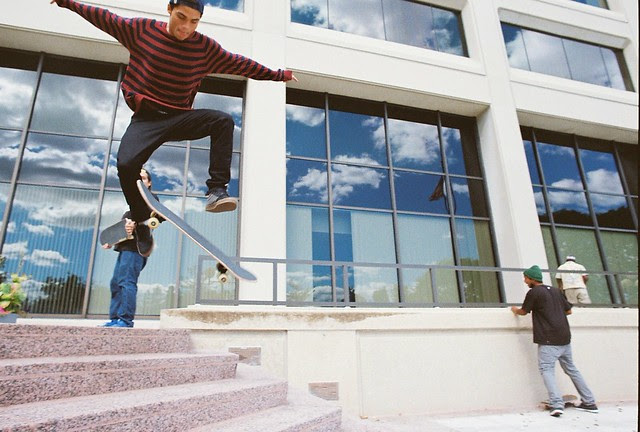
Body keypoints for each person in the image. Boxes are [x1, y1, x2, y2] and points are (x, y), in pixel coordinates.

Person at [50, 0, 298, 257]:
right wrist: (67, 3)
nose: (186, 27)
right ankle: (141, 221)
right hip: (146, 120)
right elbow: (105, 18)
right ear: (169, 9)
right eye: (181, 17)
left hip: (179, 118)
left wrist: (278, 75)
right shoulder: (141, 31)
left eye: (194, 21)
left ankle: (216, 191)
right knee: (126, 164)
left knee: (222, 121)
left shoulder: (204, 49)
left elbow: (239, 63)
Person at [511, 265, 598, 417]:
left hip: (548, 339)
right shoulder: (556, 291)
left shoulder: (534, 292)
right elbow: (568, 310)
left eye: (526, 278)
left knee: (546, 370)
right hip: (564, 337)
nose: (525, 281)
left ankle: (556, 404)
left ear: (532, 279)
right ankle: (589, 402)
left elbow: (524, 311)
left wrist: (514, 310)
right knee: (571, 369)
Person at [101, 168, 158, 328]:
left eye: (143, 178)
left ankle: (125, 320)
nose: (140, 181)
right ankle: (115, 318)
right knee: (115, 283)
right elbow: (121, 233)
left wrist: (137, 224)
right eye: (137, 178)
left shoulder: (151, 200)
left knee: (127, 282)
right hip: (125, 249)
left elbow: (150, 219)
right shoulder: (130, 210)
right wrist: (110, 241)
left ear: (149, 183)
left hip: (136, 250)